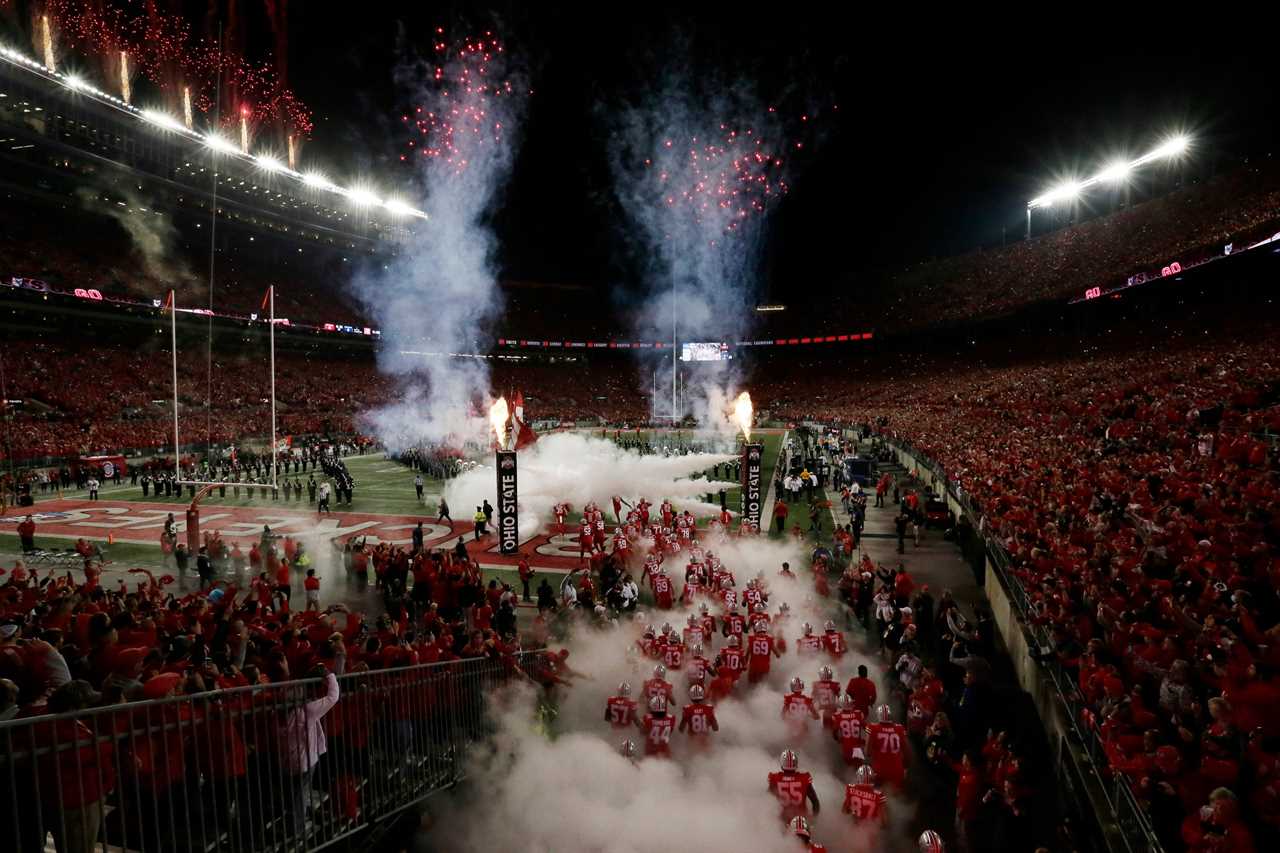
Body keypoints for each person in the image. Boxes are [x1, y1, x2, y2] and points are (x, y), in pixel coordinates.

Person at [279, 668, 340, 838]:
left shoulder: (279, 713)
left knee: (295, 794)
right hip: (304, 761)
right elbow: (333, 696)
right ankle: (297, 829)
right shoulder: (307, 711)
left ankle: (297, 823)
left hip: (288, 760)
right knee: (300, 795)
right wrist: (330, 676)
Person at [768, 749, 820, 823]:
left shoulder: (774, 778)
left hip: (782, 822)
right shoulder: (804, 778)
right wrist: (814, 818)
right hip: (801, 822)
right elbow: (815, 802)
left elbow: (767, 801)